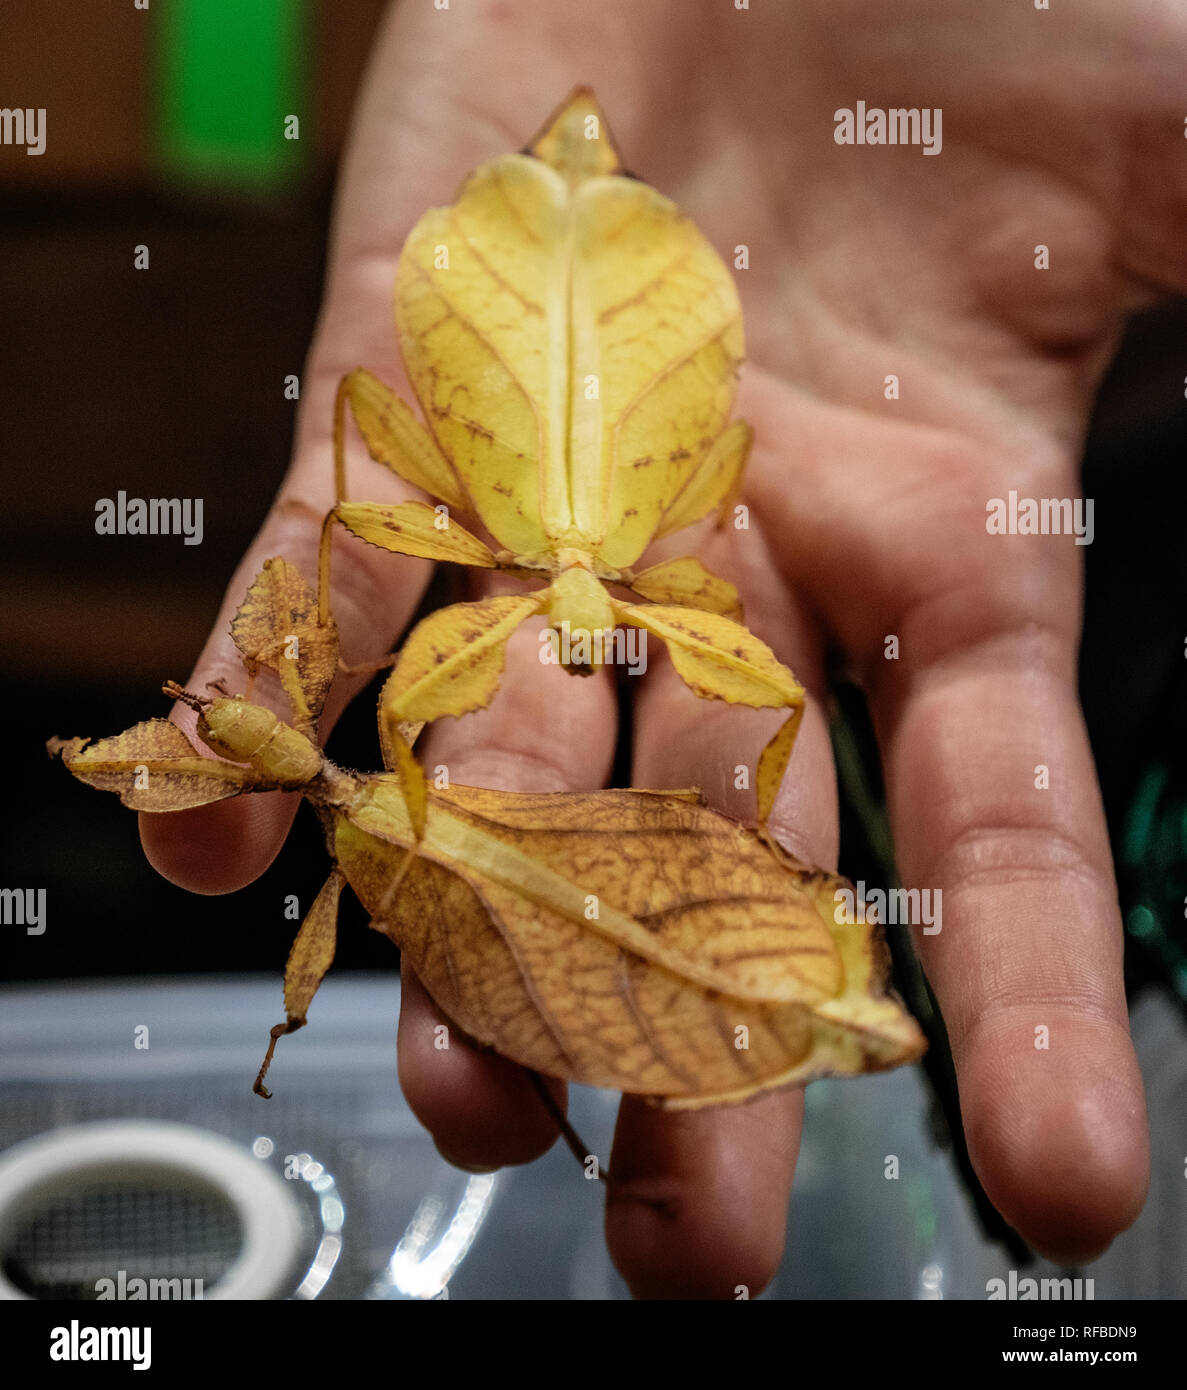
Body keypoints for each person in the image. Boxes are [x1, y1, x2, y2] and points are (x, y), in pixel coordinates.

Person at [142, 0, 1185, 1297]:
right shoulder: (649, 562)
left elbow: (688, 467)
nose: (585, 643)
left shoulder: (621, 567)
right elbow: (686, 459)